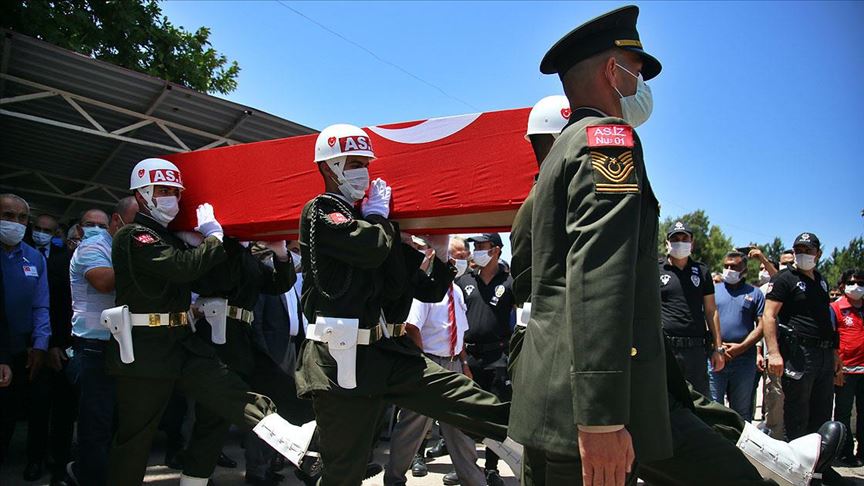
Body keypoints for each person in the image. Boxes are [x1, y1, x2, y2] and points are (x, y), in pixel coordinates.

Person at [507, 7, 815, 485]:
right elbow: (599, 278)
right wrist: (603, 416)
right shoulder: (608, 141)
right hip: (594, 408)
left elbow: (533, 283)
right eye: (637, 72)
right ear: (614, 70)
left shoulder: (554, 160)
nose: (641, 87)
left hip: (554, 397)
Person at [296, 123, 510, 486]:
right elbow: (370, 248)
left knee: (465, 398)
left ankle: (547, 438)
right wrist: (381, 217)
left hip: (385, 352)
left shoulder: (377, 225)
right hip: (338, 360)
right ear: (328, 167)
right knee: (344, 471)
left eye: (365, 162)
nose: (362, 170)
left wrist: (439, 254)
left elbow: (422, 289)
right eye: (352, 162)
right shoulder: (321, 211)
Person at [106, 158, 298, 486]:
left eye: (175, 192)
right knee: (135, 438)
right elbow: (182, 269)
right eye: (162, 190)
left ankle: (297, 440)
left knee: (231, 392)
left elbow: (262, 280)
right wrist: (212, 239)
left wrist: (263, 250)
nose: (171, 198)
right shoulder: (134, 236)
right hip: (146, 349)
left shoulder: (173, 239)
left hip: (184, 342)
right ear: (142, 195)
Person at [385, 237, 487, 486]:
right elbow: (411, 327)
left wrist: (464, 364)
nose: (457, 263)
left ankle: (473, 480)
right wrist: (424, 362)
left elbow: (459, 332)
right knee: (412, 427)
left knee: (460, 426)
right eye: (453, 258)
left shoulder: (458, 292)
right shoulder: (426, 293)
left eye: (461, 258)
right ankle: (394, 479)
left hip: (453, 364)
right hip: (429, 363)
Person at [64, 199, 137, 486]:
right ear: (117, 222)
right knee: (96, 425)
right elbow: (104, 282)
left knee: (112, 423)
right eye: (136, 222)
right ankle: (87, 477)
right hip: (93, 349)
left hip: (116, 346)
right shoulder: (94, 246)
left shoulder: (117, 248)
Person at [764, 232, 839, 441]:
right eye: (798, 250)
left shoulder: (821, 281)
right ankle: (796, 469)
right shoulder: (784, 278)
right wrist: (773, 353)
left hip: (823, 354)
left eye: (808, 250)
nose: (802, 254)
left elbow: (825, 320)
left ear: (819, 254)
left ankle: (819, 469)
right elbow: (769, 315)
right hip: (799, 355)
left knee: (822, 412)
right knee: (797, 415)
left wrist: (834, 354)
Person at [456, 232, 515, 486]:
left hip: (497, 357)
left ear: (497, 250)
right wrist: (461, 356)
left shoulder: (510, 282)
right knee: (465, 414)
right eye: (475, 246)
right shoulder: (463, 281)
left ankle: (491, 468)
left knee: (494, 414)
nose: (477, 250)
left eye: (483, 245)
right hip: (468, 356)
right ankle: (468, 468)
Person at [0, 193, 51, 480]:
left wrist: (40, 344)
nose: (15, 223)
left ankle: (36, 460)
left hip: (28, 346)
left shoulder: (33, 257)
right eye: (8, 216)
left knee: (38, 405)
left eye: (21, 218)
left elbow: (41, 304)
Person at [660, 220, 726, 396]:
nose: (680, 242)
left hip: (695, 350)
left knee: (699, 400)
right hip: (666, 348)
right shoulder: (656, 269)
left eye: (684, 238)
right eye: (675, 239)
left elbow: (711, 311)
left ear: (692, 242)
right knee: (666, 398)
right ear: (667, 242)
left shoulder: (702, 271)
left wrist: (718, 348)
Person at [709, 251, 765, 421]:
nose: (729, 270)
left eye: (734, 267)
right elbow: (706, 318)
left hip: (744, 360)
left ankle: (740, 448)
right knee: (714, 407)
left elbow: (762, 325)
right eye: (726, 266)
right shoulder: (712, 290)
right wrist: (717, 346)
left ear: (744, 270)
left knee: (741, 411)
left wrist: (741, 347)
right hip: (716, 356)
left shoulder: (755, 294)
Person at [830, 269, 864, 466]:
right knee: (843, 413)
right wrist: (837, 369)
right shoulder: (835, 308)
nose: (856, 286)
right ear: (842, 285)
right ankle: (844, 453)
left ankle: (862, 452)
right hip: (845, 371)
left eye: (860, 282)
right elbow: (833, 340)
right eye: (852, 282)